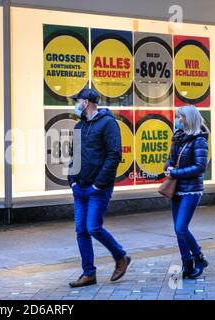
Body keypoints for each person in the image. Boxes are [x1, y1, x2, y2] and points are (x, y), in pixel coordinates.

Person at [67, 88, 131, 288]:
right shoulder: (79, 126)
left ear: (86, 102)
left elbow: (114, 155)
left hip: (98, 188)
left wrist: (98, 184)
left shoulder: (108, 123)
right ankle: (89, 274)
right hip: (80, 188)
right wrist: (73, 180)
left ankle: (120, 257)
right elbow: (73, 154)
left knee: (93, 227)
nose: (75, 104)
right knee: (81, 231)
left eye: (77, 100)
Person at [164, 105, 210, 279]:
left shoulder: (199, 140)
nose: (178, 120)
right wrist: (167, 167)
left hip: (191, 190)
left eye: (180, 117)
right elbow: (171, 159)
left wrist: (175, 172)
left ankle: (199, 258)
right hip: (177, 188)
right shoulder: (178, 136)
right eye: (177, 117)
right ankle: (187, 264)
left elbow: (200, 167)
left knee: (181, 227)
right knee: (178, 230)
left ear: (189, 118)